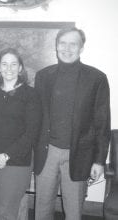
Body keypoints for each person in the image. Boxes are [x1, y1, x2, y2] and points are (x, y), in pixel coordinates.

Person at [34, 27, 111, 220]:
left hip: (78, 154)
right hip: (46, 152)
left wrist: (99, 160)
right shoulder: (43, 76)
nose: (67, 48)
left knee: (74, 212)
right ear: (56, 46)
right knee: (42, 210)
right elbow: (36, 116)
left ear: (81, 48)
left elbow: (102, 123)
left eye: (73, 44)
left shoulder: (97, 78)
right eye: (63, 43)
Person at [0, 47, 41, 220]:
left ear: (20, 68)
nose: (8, 68)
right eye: (4, 64)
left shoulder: (31, 95)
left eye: (13, 64)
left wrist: (5, 156)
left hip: (16, 162)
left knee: (5, 212)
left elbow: (31, 132)